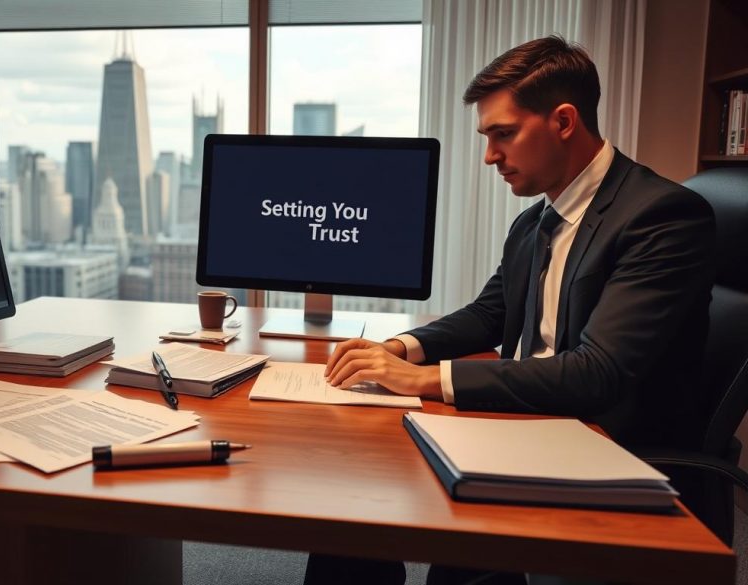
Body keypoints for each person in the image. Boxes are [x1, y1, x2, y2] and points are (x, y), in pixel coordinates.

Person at [305, 35, 716, 585]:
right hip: (531, 426)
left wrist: (423, 380)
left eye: (504, 134)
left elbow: (598, 373)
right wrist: (399, 348)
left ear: (564, 122)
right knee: (352, 501)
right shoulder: (537, 219)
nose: (490, 155)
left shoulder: (660, 217)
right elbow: (489, 315)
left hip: (606, 447)